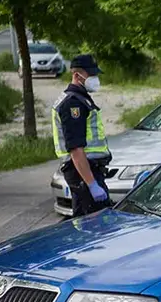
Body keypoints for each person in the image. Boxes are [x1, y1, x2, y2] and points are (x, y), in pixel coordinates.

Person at [51, 54, 113, 218]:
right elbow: (76, 149)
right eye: (91, 74)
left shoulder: (80, 99)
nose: (95, 78)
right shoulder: (73, 104)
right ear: (77, 75)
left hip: (86, 171)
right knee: (93, 224)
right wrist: (91, 184)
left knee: (91, 222)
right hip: (83, 172)